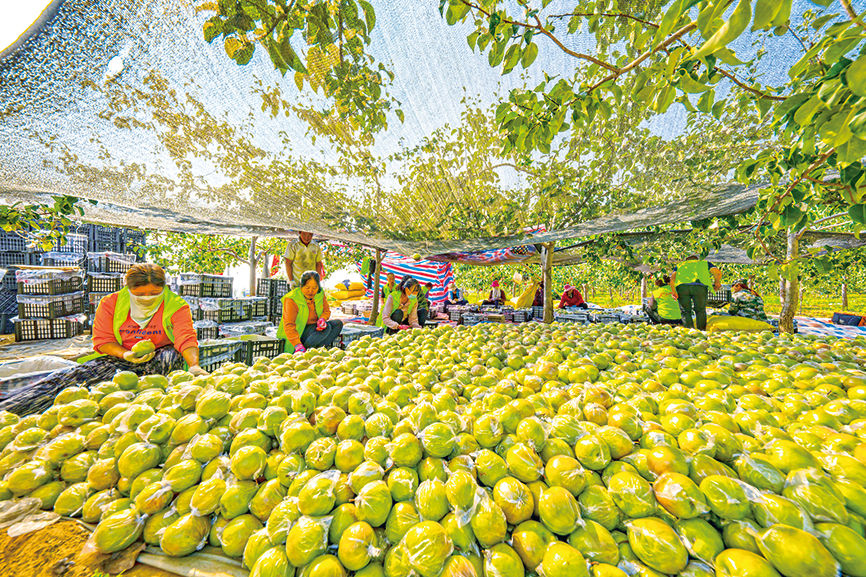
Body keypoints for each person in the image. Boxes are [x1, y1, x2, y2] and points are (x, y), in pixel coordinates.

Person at [0, 264, 205, 415]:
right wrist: (125, 354)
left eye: (154, 293)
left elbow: (185, 337)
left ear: (164, 288)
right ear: (128, 289)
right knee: (73, 379)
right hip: (120, 357)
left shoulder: (176, 304)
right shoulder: (111, 303)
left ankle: (141, 401)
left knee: (168, 357)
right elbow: (102, 340)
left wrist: (194, 365)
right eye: (140, 293)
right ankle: (12, 411)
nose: (147, 297)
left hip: (160, 359)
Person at [277, 270, 343, 353]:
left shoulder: (320, 294)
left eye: (314, 288)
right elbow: (289, 325)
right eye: (307, 288)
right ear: (301, 286)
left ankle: (317, 350)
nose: (311, 291)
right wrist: (297, 344)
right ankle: (305, 351)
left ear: (318, 287)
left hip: (314, 329)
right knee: (327, 329)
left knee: (337, 324)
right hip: (297, 334)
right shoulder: (292, 299)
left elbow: (326, 311)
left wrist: (322, 319)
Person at [671, 254, 722, 330]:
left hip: (682, 288)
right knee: (700, 310)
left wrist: (673, 291)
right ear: (697, 259)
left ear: (687, 260)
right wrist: (717, 282)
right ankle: (701, 330)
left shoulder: (680, 265)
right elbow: (717, 272)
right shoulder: (704, 263)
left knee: (685, 311)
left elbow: (672, 278)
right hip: (699, 287)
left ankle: (689, 330)